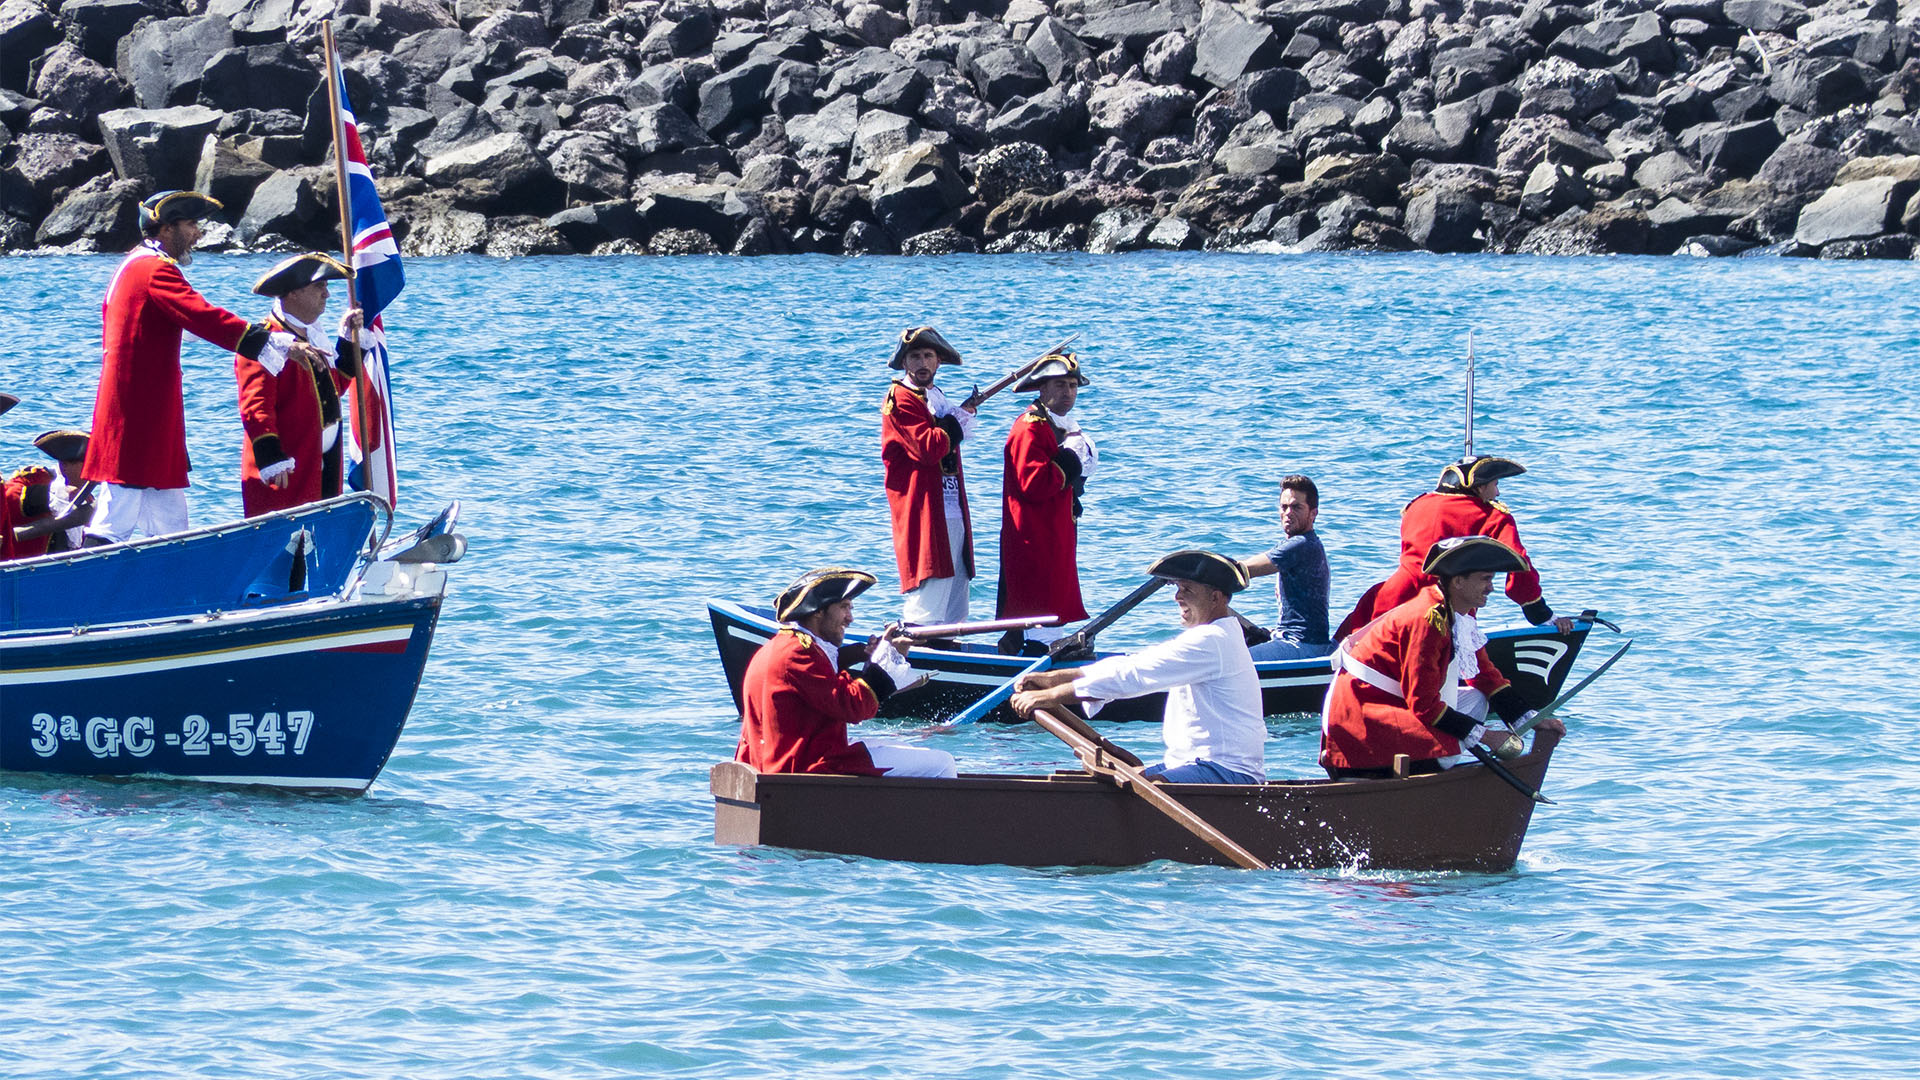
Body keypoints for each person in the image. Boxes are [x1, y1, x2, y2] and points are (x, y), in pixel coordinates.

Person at [81, 190, 319, 544]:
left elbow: (190, 324)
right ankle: (85, 589)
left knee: (168, 514)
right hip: (138, 413)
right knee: (118, 508)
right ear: (167, 228)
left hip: (146, 410)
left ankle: (177, 580)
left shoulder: (138, 265)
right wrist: (274, 342)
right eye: (191, 224)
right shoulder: (153, 269)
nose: (198, 233)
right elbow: (202, 316)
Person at [1010, 550, 1266, 785]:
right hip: (1193, 764)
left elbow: (1134, 676)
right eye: (1177, 588)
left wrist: (1051, 696)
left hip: (1226, 772)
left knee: (1139, 790)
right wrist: (1052, 680)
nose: (1177, 597)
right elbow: (1133, 664)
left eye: (1187, 589)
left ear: (1215, 597)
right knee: (1121, 781)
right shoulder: (1213, 636)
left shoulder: (1213, 641)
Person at [1319, 535, 1562, 780]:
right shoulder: (1428, 621)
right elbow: (1423, 705)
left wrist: (1532, 719)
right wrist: (1488, 736)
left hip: (1391, 705)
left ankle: (1440, 764)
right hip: (1360, 714)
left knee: (1477, 699)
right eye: (1485, 579)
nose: (1491, 587)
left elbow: (1484, 676)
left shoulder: (1460, 612)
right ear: (1458, 581)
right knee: (1456, 735)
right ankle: (1431, 773)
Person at [736, 567, 958, 778]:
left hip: (790, 760)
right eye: (844, 607)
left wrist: (865, 653)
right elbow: (854, 708)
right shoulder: (799, 654)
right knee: (943, 763)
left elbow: (822, 677)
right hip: (808, 767)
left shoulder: (785, 646)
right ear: (818, 612)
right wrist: (890, 657)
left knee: (907, 748)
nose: (850, 618)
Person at [1337, 454, 1575, 637]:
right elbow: (1520, 567)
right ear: (1480, 487)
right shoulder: (1493, 516)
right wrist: (1541, 614)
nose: (1498, 491)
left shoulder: (1416, 505)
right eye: (1495, 484)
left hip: (1392, 597)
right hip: (1446, 607)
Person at [236, 252, 368, 517]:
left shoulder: (312, 336)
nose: (327, 295)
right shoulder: (268, 341)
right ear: (293, 293)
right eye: (319, 286)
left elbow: (331, 391)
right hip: (288, 469)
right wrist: (271, 456)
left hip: (321, 465)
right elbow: (255, 406)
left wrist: (348, 341)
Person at [995, 350, 1096, 652]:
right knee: (1040, 600)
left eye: (1072, 386)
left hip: (1053, 529)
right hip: (1034, 533)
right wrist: (1071, 457)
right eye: (1060, 385)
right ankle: (1041, 654)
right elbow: (1035, 483)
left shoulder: (1054, 424)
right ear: (1042, 389)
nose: (1068, 393)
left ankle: (1041, 647)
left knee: (1051, 595)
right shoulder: (1031, 426)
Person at [881, 326, 979, 625]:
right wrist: (955, 421)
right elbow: (928, 448)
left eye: (928, 356)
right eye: (915, 357)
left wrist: (958, 416)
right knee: (929, 592)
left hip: (950, 507)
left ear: (938, 362)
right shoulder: (902, 398)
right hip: (923, 508)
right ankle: (917, 654)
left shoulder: (934, 396)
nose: (922, 363)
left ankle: (947, 649)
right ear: (905, 362)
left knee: (955, 596)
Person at [1235, 474, 1332, 661]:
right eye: (1284, 507)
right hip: (1285, 636)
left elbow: (1242, 570)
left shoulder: (1302, 544)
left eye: (1296, 507)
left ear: (1313, 513)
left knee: (1233, 661)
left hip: (1303, 645)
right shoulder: (1296, 544)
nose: (1288, 512)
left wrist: (1197, 570)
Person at [7, 429, 95, 556]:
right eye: (88, 466)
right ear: (64, 465)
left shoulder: (88, 498)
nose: (92, 474)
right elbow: (8, 495)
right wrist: (52, 494)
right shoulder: (37, 478)